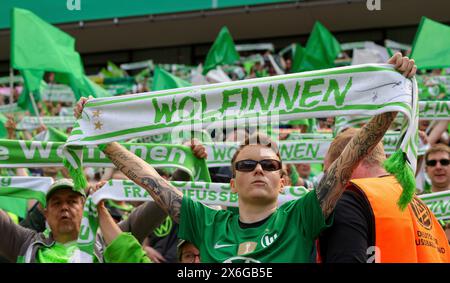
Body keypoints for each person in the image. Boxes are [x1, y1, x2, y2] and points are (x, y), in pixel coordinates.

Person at [74, 54, 413, 263]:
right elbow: (152, 181)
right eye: (247, 165)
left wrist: (391, 98)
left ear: (283, 180)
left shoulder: (300, 217)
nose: (259, 169)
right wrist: (101, 137)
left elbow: (348, 161)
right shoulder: (209, 224)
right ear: (233, 182)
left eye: (269, 165)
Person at [317, 128, 450, 263]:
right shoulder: (421, 207)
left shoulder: (351, 200)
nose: (327, 182)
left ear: (351, 161)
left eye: (329, 172)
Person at [0, 178, 166, 263]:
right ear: (46, 214)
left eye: (72, 201)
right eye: (56, 203)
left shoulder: (109, 241)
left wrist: (185, 168)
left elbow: (160, 205)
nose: (64, 207)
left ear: (86, 207)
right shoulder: (26, 244)